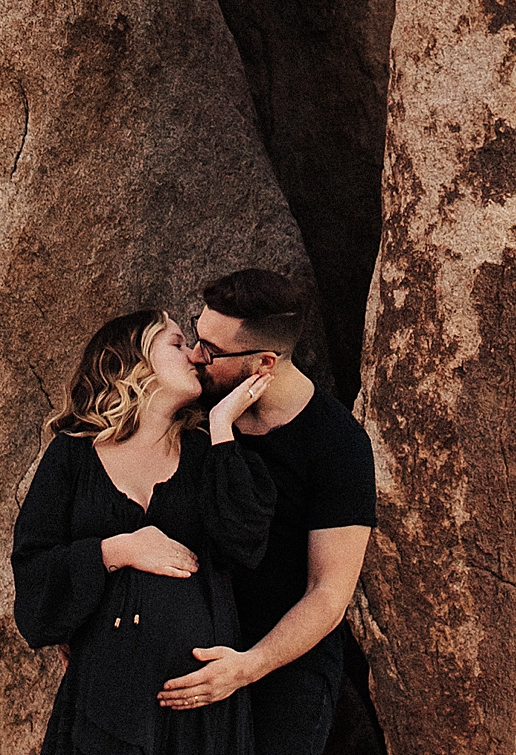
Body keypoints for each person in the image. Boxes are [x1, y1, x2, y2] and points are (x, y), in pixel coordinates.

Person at [13, 306, 277, 753]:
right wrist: (118, 549)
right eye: (176, 343)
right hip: (105, 704)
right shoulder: (73, 455)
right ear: (131, 363)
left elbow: (246, 543)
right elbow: (34, 578)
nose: (196, 356)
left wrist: (220, 427)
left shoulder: (205, 454)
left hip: (200, 713)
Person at [157, 270, 376, 755]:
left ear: (263, 363)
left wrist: (247, 666)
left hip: (284, 670)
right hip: (196, 654)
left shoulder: (338, 445)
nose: (195, 356)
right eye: (197, 335)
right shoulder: (195, 416)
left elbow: (328, 594)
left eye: (211, 350)